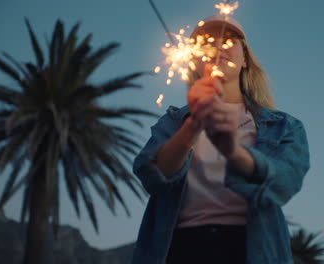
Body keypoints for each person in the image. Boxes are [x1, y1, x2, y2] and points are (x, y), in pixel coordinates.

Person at [131, 14, 310, 264]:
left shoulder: (283, 126)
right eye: (207, 42)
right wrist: (192, 127)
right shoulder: (173, 121)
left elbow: (285, 181)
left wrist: (234, 152)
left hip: (250, 249)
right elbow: (151, 175)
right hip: (180, 249)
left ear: (245, 59)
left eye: (228, 40)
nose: (217, 47)